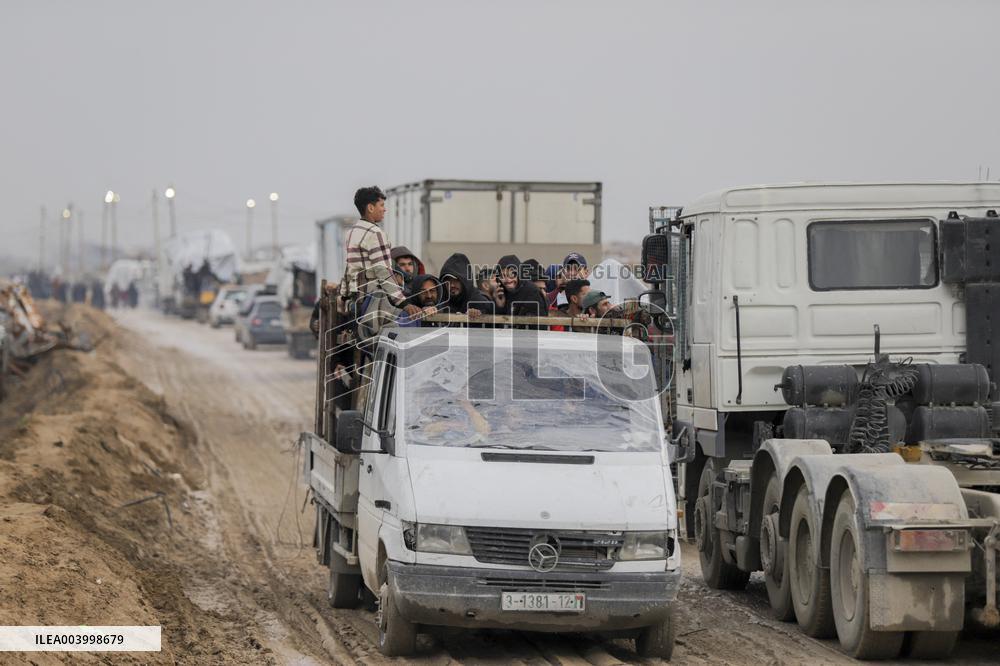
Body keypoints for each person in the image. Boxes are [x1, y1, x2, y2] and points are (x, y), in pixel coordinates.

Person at [339, 186, 422, 322]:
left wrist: (343, 296)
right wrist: (403, 303)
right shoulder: (375, 233)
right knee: (413, 319)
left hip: (355, 301)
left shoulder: (352, 232)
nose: (384, 209)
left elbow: (349, 268)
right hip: (372, 301)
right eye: (381, 205)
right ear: (370, 208)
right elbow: (383, 271)